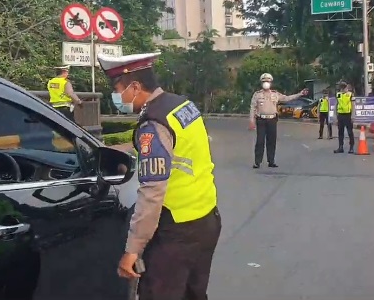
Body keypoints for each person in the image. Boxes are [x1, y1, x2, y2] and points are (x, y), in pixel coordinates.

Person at [97, 52, 222, 300]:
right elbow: (182, 156)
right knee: (194, 294)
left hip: (175, 231)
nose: (117, 97)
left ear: (135, 86)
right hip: (206, 220)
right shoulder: (182, 105)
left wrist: (132, 250)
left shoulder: (153, 124)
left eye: (118, 89)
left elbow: (152, 193)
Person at [249, 73, 308, 168]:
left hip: (272, 120)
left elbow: (287, 98)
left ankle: (271, 161)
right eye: (264, 81)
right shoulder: (257, 95)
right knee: (260, 141)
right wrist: (251, 121)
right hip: (261, 120)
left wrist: (300, 94)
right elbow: (253, 108)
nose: (266, 83)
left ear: (271, 83)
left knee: (271, 141)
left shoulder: (275, 94)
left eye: (268, 81)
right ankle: (257, 162)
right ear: (261, 83)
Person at [334, 81, 355, 154]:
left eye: (344, 88)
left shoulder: (350, 95)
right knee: (340, 132)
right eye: (342, 88)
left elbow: (353, 105)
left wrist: (353, 116)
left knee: (350, 132)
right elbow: (336, 105)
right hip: (340, 115)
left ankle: (351, 147)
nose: (343, 90)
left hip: (348, 115)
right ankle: (340, 147)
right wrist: (335, 117)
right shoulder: (338, 95)